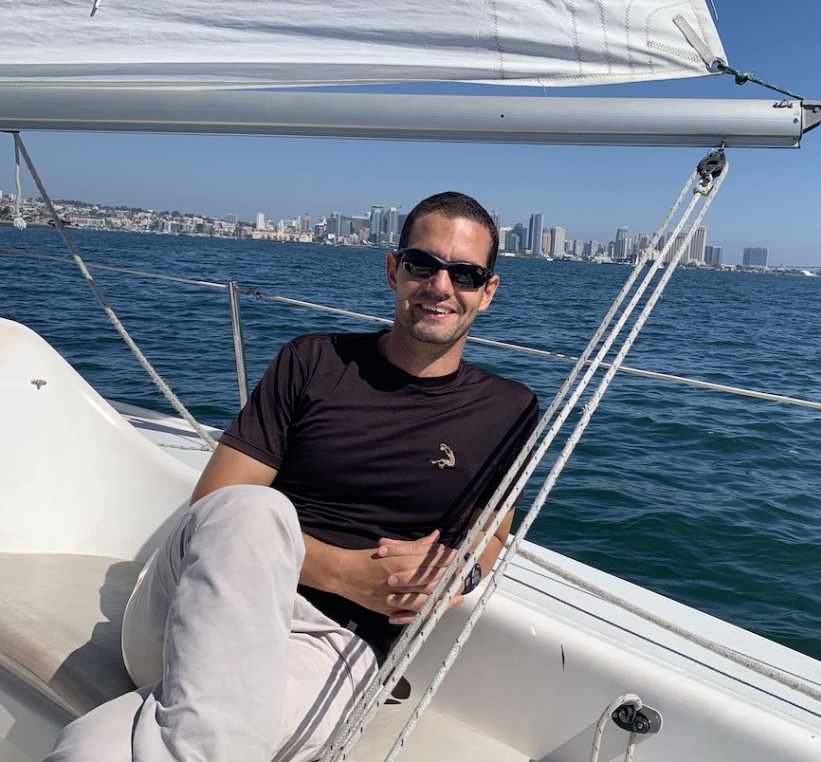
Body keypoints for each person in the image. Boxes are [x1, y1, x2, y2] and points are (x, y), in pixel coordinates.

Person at [46, 191, 538, 762]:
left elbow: (491, 535)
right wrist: (345, 574)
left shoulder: (509, 411)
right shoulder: (314, 361)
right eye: (422, 264)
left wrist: (455, 577)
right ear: (393, 270)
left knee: (90, 750)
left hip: (335, 645)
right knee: (257, 510)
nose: (440, 286)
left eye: (466, 273)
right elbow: (215, 507)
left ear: (488, 291)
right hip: (194, 609)